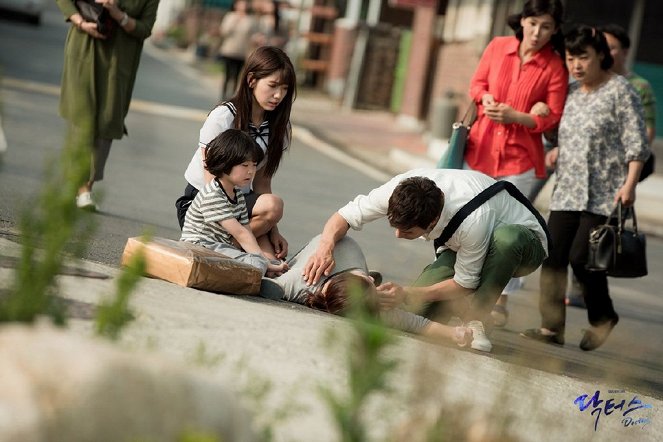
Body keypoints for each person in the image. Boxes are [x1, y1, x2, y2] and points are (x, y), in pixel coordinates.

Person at [302, 169, 549, 353]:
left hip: (524, 244)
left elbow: (465, 283)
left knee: (505, 240)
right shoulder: (398, 191)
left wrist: (407, 291)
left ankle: (477, 317)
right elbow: (344, 216)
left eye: (408, 232)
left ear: (432, 223)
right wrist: (325, 247)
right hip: (465, 245)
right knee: (412, 313)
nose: (398, 235)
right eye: (395, 227)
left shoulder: (473, 220)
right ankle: (456, 310)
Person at [521, 25, 650, 351]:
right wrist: (547, 126)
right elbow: (558, 136)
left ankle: (603, 317)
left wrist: (630, 185)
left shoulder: (621, 91)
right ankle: (551, 328)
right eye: (570, 58)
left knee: (583, 259)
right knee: (552, 258)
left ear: (600, 57)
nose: (576, 65)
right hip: (567, 190)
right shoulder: (571, 92)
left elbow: (637, 145)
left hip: (605, 193)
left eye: (583, 57)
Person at [462, 0, 568, 326]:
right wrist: (486, 99)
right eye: (533, 23)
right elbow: (477, 84)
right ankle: (461, 290)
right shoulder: (497, 47)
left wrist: (518, 116)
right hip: (479, 150)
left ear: (554, 30)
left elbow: (554, 117)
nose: (537, 32)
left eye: (546, 27)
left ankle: (500, 300)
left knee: (508, 231)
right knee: (471, 224)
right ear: (522, 21)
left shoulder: (554, 67)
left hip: (519, 161)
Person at [564, 23, 659, 309]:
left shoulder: (635, 87)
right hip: (579, 174)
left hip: (620, 169)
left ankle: (590, 294)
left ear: (621, 52)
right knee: (567, 242)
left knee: (594, 236)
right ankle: (570, 299)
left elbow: (645, 134)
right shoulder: (578, 87)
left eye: (612, 47)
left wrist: (629, 178)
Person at [176, 46, 296, 261]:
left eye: (285, 89)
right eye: (273, 86)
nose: (279, 95)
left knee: (272, 261)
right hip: (203, 204)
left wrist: (272, 229)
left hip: (240, 205)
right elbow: (211, 181)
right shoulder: (224, 117)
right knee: (272, 207)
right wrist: (242, 231)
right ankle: (219, 249)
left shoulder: (279, 128)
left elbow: (262, 184)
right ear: (251, 80)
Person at [262, 234, 472, 347]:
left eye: (368, 280)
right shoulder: (306, 279)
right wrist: (454, 333)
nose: (371, 279)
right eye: (369, 281)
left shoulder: (302, 281)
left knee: (269, 255)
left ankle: (361, 278)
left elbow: (266, 285)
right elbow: (415, 323)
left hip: (335, 253)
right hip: (335, 262)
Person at [55, 0, 159, 211]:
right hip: (84, 50)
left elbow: (144, 28)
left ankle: (87, 185)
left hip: (118, 63)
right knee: (81, 118)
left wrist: (117, 13)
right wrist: (81, 22)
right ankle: (77, 185)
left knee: (107, 121)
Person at [180, 129, 288, 277]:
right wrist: (263, 261)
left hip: (219, 247)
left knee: (257, 261)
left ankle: (263, 273)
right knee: (255, 262)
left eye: (254, 165)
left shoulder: (237, 193)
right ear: (225, 164)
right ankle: (262, 278)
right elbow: (240, 233)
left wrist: (264, 260)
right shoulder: (213, 194)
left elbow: (247, 230)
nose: (251, 171)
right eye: (245, 166)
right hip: (199, 247)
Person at [217, 0, 258, 100]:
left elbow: (251, 36)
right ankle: (223, 97)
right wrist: (235, 22)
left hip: (241, 51)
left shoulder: (250, 19)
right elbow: (224, 31)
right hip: (229, 50)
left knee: (236, 76)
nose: (243, 6)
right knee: (227, 75)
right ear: (236, 5)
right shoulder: (230, 16)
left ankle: (232, 98)